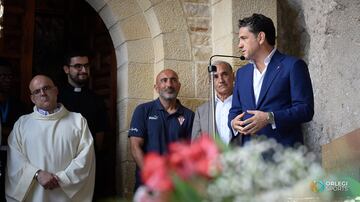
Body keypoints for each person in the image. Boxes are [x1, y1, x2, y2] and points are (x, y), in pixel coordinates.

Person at [228, 13, 314, 147]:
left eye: (244, 38)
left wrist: (270, 117)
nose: (239, 45)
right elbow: (235, 110)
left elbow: (305, 109)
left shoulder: (293, 66)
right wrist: (233, 122)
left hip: (283, 157)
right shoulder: (241, 73)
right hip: (249, 159)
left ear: (261, 37)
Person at [5, 75, 95, 202]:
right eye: (37, 91)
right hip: (34, 194)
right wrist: (37, 174)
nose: (42, 93)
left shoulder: (78, 121)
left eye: (46, 88)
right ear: (32, 98)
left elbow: (86, 157)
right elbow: (15, 159)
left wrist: (63, 179)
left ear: (56, 91)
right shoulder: (22, 124)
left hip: (66, 195)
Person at [128, 69, 194, 190]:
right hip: (148, 185)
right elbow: (135, 146)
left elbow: (190, 152)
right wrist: (152, 177)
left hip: (176, 187)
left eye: (173, 80)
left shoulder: (189, 115)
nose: (169, 84)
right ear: (156, 87)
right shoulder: (142, 110)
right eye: (164, 80)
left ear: (179, 86)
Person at [58, 50, 108, 199]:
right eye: (78, 66)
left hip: (88, 164)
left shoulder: (97, 100)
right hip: (60, 164)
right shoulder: (57, 97)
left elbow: (100, 135)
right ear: (66, 69)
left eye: (86, 66)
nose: (84, 70)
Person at [0, 59, 29, 201]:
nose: (7, 80)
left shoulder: (20, 105)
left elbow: (24, 134)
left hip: (13, 159)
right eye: (3, 76)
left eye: (10, 76)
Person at [191, 61, 234, 145]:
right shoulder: (201, 111)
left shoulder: (246, 104)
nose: (221, 80)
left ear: (233, 76)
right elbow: (196, 145)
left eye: (224, 74)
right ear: (211, 80)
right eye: (215, 76)